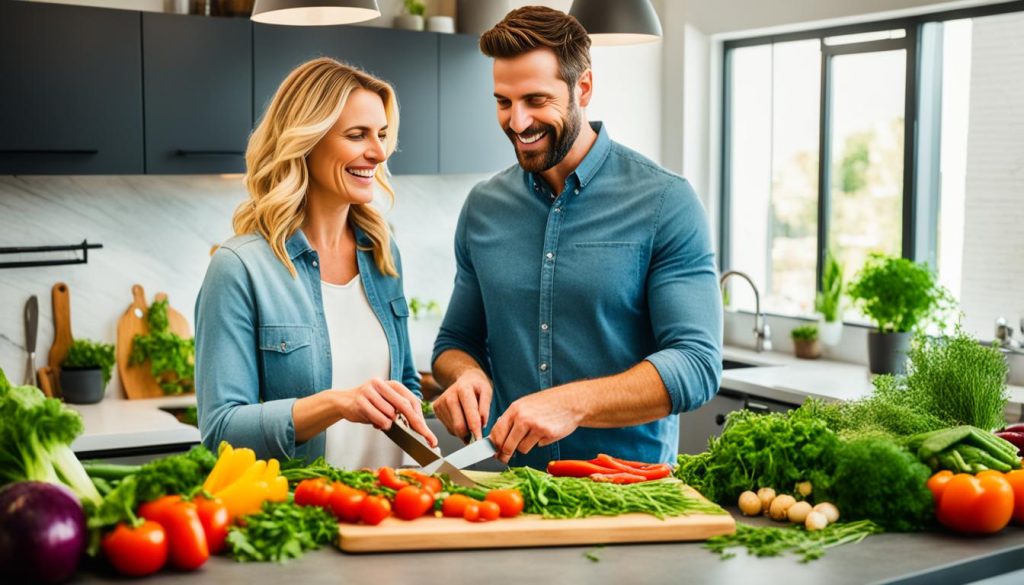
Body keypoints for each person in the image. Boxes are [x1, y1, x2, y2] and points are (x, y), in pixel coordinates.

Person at [431, 7, 722, 468]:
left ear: (582, 88)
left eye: (536, 100)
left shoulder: (665, 202)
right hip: (510, 491)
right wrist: (464, 375)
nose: (518, 123)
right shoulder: (483, 208)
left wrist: (571, 403)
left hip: (628, 496)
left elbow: (696, 365)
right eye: (503, 102)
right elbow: (454, 340)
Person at [195, 57, 437, 467]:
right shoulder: (240, 268)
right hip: (303, 515)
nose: (378, 152)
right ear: (306, 141)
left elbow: (404, 381)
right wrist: (335, 405)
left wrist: (427, 420)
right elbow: (221, 431)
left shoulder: (380, 250)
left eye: (381, 134)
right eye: (358, 135)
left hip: (387, 512)